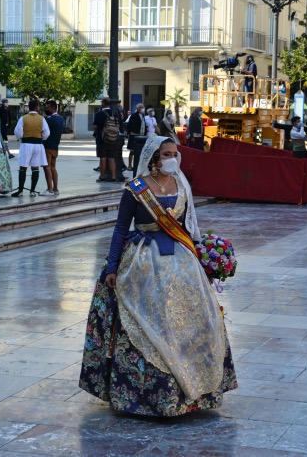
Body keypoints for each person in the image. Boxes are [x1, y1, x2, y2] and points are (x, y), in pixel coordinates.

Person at [79, 136, 237, 416]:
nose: (172, 159)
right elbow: (120, 228)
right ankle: (147, 395)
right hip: (142, 259)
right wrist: (112, 265)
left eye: (175, 154)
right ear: (153, 157)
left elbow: (188, 228)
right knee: (148, 318)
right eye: (166, 154)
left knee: (195, 317)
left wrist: (203, 259)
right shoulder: (135, 189)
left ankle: (192, 390)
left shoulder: (181, 185)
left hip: (180, 259)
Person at [12, 99, 50, 197]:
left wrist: (22, 136)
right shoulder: (41, 119)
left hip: (26, 144)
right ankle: (32, 191)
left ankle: (20, 191)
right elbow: (46, 133)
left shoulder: (23, 118)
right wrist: (41, 137)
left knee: (23, 167)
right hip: (38, 145)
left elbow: (18, 132)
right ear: (37, 107)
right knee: (35, 167)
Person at [92, 97, 120, 183]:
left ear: (103, 104)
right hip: (113, 138)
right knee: (111, 158)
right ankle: (113, 177)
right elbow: (120, 124)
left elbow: (95, 127)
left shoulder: (99, 114)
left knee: (103, 158)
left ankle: (102, 177)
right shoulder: (115, 113)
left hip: (102, 139)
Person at [41, 100, 64, 196]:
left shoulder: (48, 119)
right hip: (55, 146)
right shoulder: (61, 118)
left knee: (47, 167)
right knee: (53, 167)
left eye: (47, 108)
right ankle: (55, 189)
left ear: (53, 108)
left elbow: (42, 131)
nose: (46, 109)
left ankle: (49, 189)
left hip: (47, 146)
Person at [126, 103, 146, 169]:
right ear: (137, 108)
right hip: (134, 135)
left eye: (142, 107)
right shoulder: (133, 115)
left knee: (140, 151)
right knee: (132, 151)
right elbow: (130, 125)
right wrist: (130, 132)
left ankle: (138, 165)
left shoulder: (143, 115)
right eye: (140, 107)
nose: (142, 108)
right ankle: (130, 165)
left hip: (142, 135)